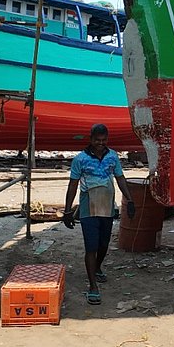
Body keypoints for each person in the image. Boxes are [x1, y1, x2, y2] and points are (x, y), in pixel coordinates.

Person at [62, 124, 135, 305]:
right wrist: (67, 210)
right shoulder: (80, 159)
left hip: (107, 206)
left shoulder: (113, 157)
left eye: (103, 140)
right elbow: (73, 185)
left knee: (103, 244)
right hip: (88, 208)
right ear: (91, 139)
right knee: (91, 246)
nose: (100, 143)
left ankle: (97, 267)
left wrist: (130, 199)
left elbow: (120, 178)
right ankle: (93, 286)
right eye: (97, 140)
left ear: (107, 139)